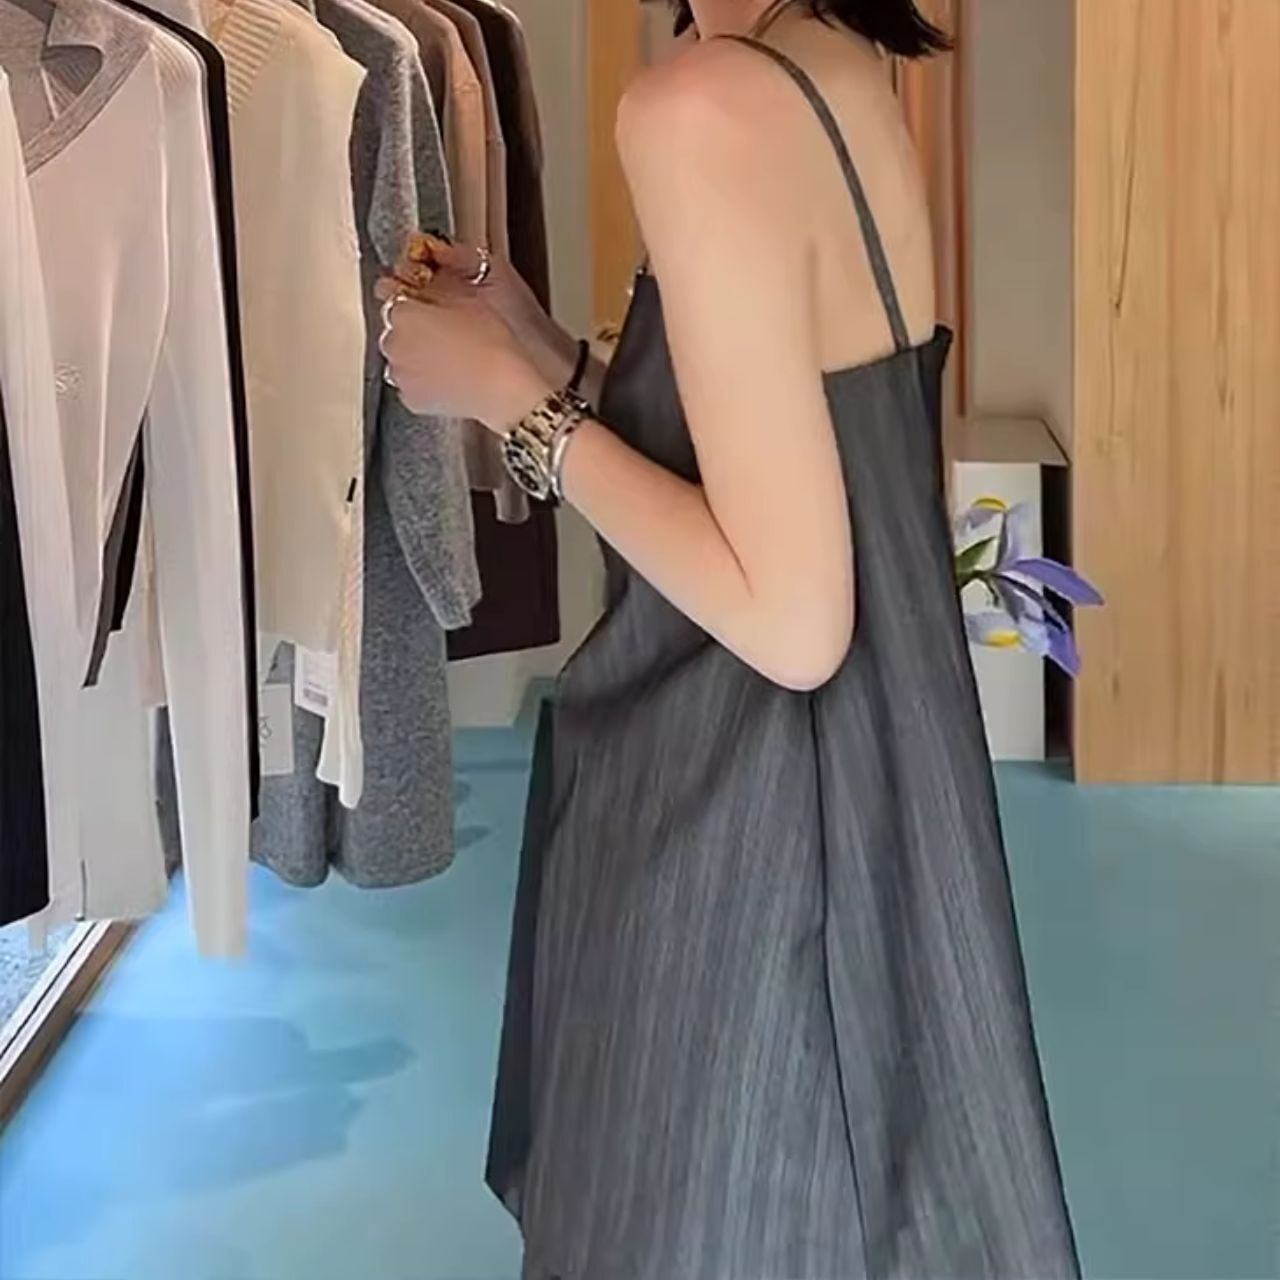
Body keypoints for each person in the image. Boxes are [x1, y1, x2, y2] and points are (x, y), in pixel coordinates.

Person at [377, 1, 1080, 1275]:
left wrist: (513, 401)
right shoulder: (827, 65)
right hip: (874, 779)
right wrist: (535, 345)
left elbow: (792, 620)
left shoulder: (699, 106)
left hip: (738, 809)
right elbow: (785, 456)